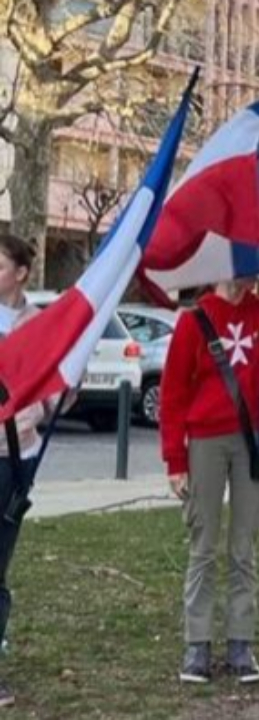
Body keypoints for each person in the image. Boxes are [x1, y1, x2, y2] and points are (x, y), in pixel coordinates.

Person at [161, 274, 259, 685]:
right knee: (203, 544)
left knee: (244, 545)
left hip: (251, 440)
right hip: (205, 440)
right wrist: (175, 459)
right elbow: (172, 394)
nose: (246, 275)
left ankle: (241, 642)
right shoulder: (194, 320)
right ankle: (197, 644)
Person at [0, 235, 70, 706]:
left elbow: (55, 394)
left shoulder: (38, 325)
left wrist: (35, 410)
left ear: (22, 272)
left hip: (13, 459)